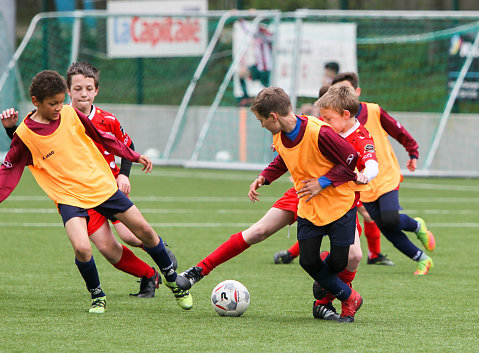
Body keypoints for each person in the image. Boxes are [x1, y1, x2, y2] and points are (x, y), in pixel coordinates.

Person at [0, 70, 192, 313]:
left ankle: (173, 280)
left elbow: (103, 138)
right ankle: (98, 295)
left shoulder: (71, 114)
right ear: (36, 101)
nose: (59, 107)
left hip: (100, 185)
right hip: (69, 196)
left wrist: (132, 157)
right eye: (53, 104)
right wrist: (11, 130)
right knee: (83, 247)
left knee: (143, 231)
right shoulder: (24, 134)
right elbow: (9, 169)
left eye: (61, 101)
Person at [178, 87, 366, 322]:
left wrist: (323, 182)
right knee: (262, 233)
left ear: (274, 116)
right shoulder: (280, 134)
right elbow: (284, 158)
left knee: (350, 257)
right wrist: (265, 176)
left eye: (261, 120)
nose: (261, 126)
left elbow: (352, 161)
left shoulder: (321, 132)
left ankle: (326, 298)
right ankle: (197, 271)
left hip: (335, 197)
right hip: (304, 194)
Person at [274, 84, 394, 266]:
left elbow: (372, 165)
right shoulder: (327, 128)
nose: (324, 122)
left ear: (346, 115)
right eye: (323, 117)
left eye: (328, 118)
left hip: (343, 199)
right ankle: (298, 259)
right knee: (315, 243)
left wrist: (365, 175)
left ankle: (335, 285)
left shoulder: (361, 137)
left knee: (351, 256)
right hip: (317, 190)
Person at [331, 72, 436, 275]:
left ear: (357, 92)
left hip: (385, 174)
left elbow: (398, 130)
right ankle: (423, 259)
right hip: (362, 182)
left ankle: (416, 225)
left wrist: (412, 151)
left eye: (347, 91)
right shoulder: (335, 123)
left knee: (390, 219)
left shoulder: (373, 110)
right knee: (387, 228)